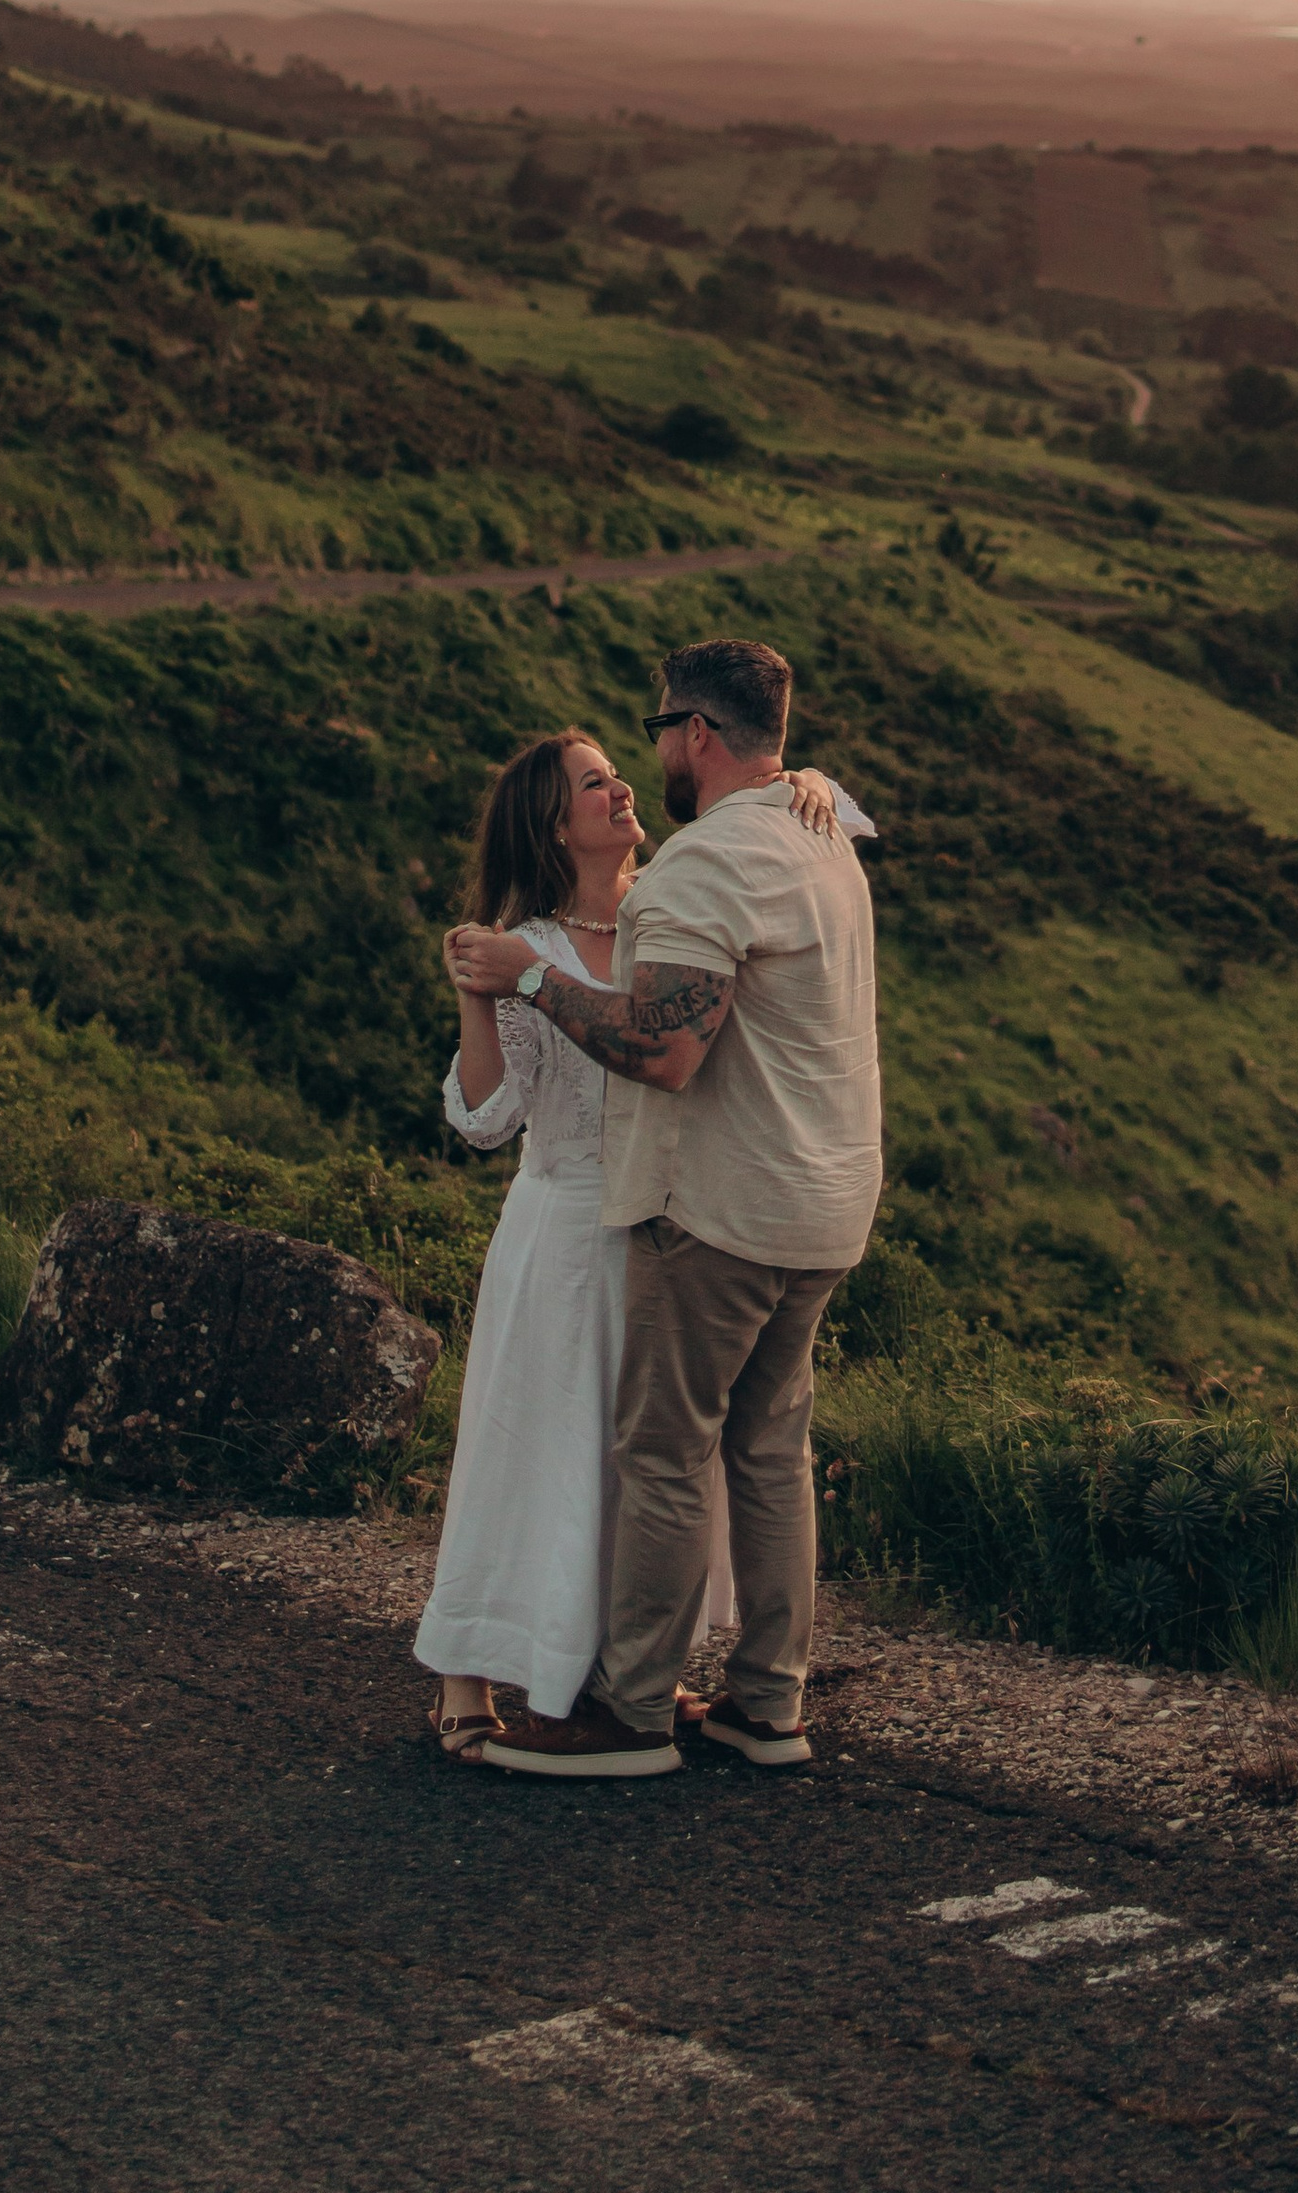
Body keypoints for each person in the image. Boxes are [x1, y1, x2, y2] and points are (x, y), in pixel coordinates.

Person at [450, 634, 882, 1781]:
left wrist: (533, 978)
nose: (649, 759)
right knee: (770, 1450)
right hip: (829, 1202)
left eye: (656, 731)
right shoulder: (819, 830)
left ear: (695, 733)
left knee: (664, 1451)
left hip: (727, 1207)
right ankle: (767, 1706)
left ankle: (631, 1711)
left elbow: (666, 1051)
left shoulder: (702, 868)